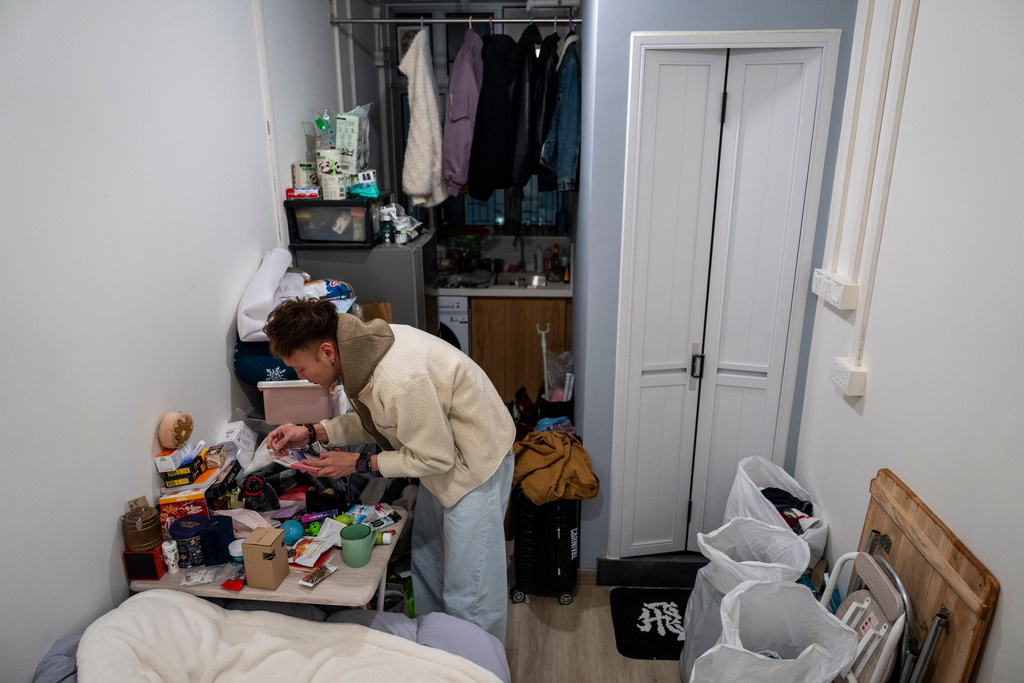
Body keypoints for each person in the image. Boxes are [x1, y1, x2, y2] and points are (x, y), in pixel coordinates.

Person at [263, 298, 516, 644]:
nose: (301, 378)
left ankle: (475, 665)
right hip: (437, 452)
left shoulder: (398, 377)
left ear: (326, 351)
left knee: (469, 588)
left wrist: (358, 463)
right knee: (429, 562)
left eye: (301, 369)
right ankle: (434, 651)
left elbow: (436, 458)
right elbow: (380, 421)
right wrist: (311, 431)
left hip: (473, 461)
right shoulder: (358, 354)